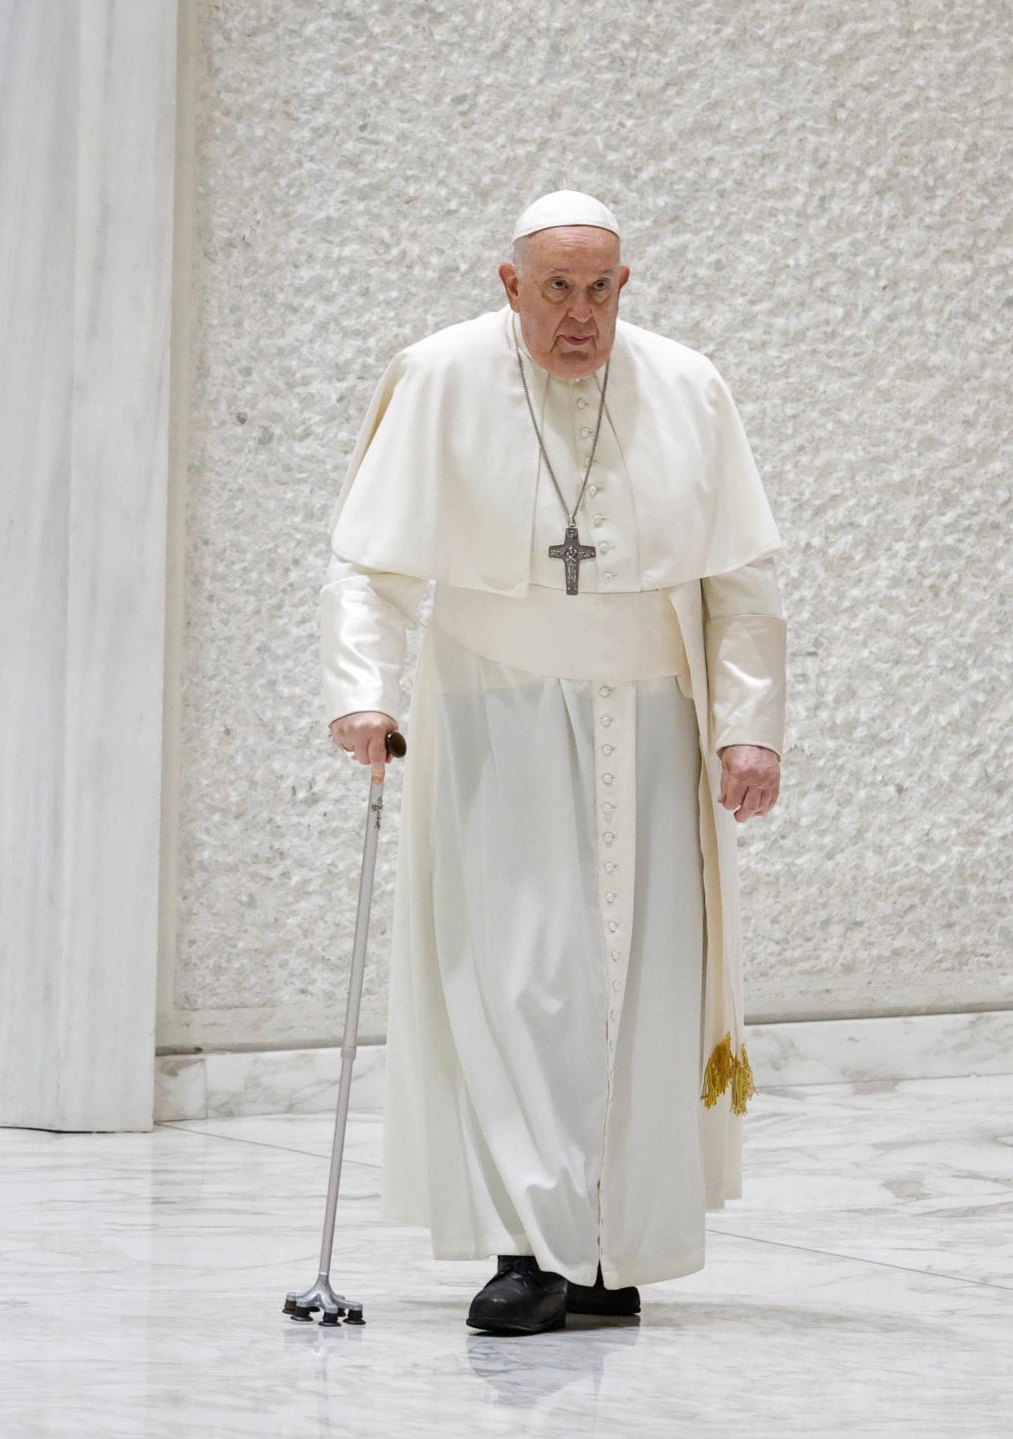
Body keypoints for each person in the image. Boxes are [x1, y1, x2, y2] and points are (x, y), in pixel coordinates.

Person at [316, 190, 788, 1336]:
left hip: (653, 712)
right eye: (555, 289)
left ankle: (607, 1243)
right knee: (521, 974)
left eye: (601, 289)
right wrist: (363, 695)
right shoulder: (438, 377)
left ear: (625, 287)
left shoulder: (687, 385)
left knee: (644, 977)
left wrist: (750, 724)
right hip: (494, 710)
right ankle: (528, 1245)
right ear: (508, 284)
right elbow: (369, 564)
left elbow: (743, 580)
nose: (579, 316)